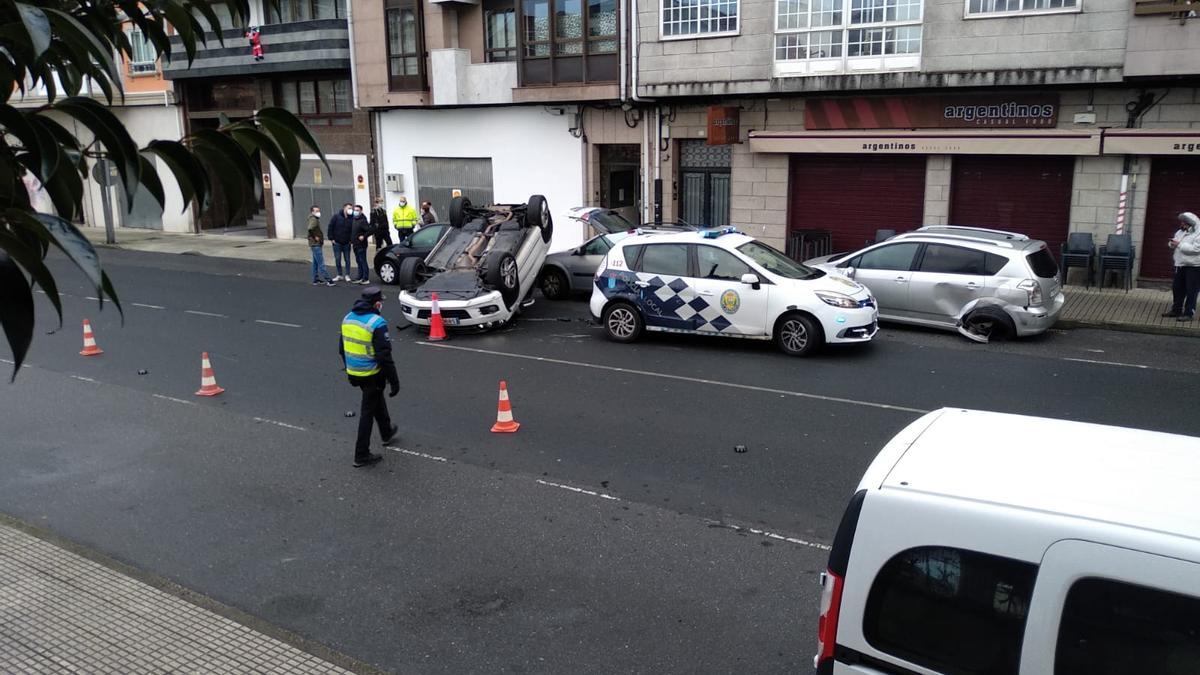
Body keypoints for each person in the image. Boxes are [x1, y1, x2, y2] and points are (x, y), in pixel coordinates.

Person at [339, 286, 399, 468]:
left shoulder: (347, 318)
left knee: (374, 399)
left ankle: (386, 432)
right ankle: (361, 454)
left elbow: (342, 349)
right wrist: (394, 381)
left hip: (355, 372)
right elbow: (384, 356)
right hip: (371, 373)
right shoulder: (377, 323)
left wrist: (350, 370)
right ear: (377, 303)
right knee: (367, 411)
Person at [1163, 211, 1200, 322]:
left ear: (1190, 223)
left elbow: (1196, 249)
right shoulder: (1180, 232)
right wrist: (1172, 243)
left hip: (1194, 266)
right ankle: (1176, 310)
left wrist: (1179, 245)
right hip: (1180, 265)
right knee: (1177, 289)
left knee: (1191, 290)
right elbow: (1174, 243)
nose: (1181, 224)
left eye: (1184, 222)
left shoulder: (1198, 233)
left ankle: (1189, 313)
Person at [306, 205, 335, 287]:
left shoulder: (313, 218)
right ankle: (329, 279)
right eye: (316, 211)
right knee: (321, 262)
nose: (318, 212)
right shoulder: (313, 219)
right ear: (312, 212)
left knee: (315, 263)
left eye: (318, 210)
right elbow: (310, 228)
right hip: (315, 244)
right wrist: (315, 236)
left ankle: (315, 279)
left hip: (314, 243)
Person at [327, 203, 354, 281]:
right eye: (349, 208)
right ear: (344, 208)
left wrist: (351, 240)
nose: (350, 210)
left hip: (347, 243)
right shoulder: (336, 217)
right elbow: (330, 227)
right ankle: (339, 274)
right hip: (337, 242)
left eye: (351, 208)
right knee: (337, 259)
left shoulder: (351, 218)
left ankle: (347, 275)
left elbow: (353, 230)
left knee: (347, 259)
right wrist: (331, 238)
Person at [351, 204, 372, 285]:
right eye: (355, 210)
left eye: (357, 210)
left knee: (363, 261)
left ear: (361, 211)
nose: (355, 212)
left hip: (361, 245)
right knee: (358, 261)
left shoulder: (363, 220)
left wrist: (364, 236)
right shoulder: (354, 219)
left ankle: (365, 278)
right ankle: (359, 276)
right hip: (355, 244)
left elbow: (369, 230)